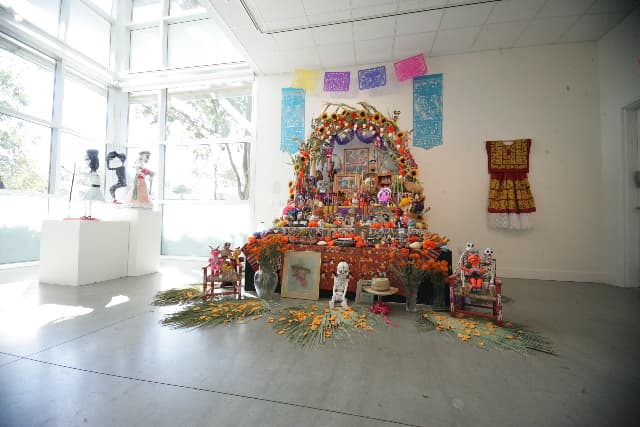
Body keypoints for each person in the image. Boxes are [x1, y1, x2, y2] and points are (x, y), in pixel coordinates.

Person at [82, 149, 105, 219]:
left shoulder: (95, 170)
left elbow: (96, 178)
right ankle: (87, 215)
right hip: (94, 188)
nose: (86, 161)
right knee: (87, 200)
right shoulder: (92, 169)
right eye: (85, 159)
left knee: (86, 200)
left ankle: (87, 215)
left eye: (87, 159)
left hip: (95, 188)